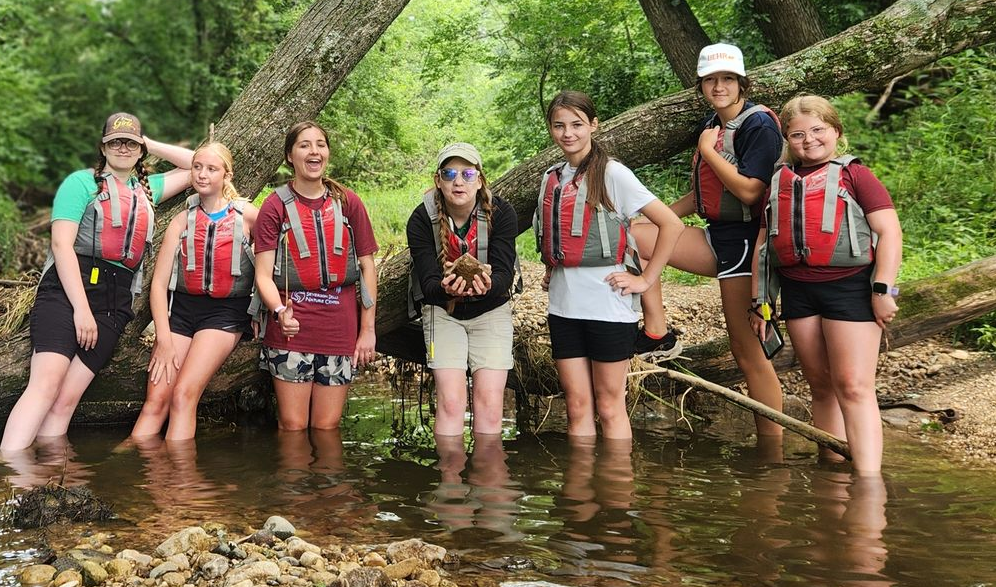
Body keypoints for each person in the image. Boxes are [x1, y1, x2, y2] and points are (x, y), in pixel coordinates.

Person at [0, 113, 194, 451]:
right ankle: (9, 473)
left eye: (130, 142)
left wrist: (149, 143)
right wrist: (81, 310)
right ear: (102, 147)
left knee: (66, 401)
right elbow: (61, 244)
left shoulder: (148, 189)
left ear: (140, 149)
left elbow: (198, 164)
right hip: (66, 292)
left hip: (114, 304)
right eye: (114, 141)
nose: (122, 147)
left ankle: (47, 483)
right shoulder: (80, 183)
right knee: (46, 385)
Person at [629, 43, 788, 440]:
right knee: (631, 235)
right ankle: (657, 335)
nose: (719, 86)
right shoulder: (712, 125)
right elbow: (703, 197)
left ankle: (772, 448)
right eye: (711, 80)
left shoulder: (759, 126)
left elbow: (752, 192)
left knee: (746, 349)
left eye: (728, 79)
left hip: (748, 245)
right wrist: (655, 215)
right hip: (717, 235)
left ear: (742, 83)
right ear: (701, 84)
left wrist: (706, 151)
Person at [761, 95, 902, 474]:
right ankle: (832, 475)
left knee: (854, 387)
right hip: (798, 293)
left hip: (850, 289)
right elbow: (766, 245)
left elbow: (890, 233)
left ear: (836, 132)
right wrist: (762, 302)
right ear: (787, 140)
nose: (809, 140)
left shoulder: (857, 175)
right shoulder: (779, 181)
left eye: (818, 130)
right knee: (821, 387)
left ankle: (868, 482)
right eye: (797, 134)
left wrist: (883, 290)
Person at [536, 90, 686, 440]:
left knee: (608, 405)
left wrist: (646, 280)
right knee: (576, 405)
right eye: (559, 126)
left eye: (576, 124)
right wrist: (550, 269)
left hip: (608, 307)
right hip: (563, 307)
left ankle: (616, 491)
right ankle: (582, 491)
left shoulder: (613, 174)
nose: (568, 133)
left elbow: (671, 224)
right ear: (550, 129)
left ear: (593, 125)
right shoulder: (551, 177)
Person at [252, 121, 379, 432]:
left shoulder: (349, 203)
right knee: (293, 426)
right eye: (304, 145)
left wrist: (368, 330)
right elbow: (263, 276)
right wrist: (280, 312)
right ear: (289, 156)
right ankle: (292, 481)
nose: (314, 151)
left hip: (339, 330)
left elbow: (367, 267)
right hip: (291, 331)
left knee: (327, 428)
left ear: (328, 154)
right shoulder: (273, 206)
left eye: (320, 144)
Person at [130, 141, 259, 441]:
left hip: (225, 313)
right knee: (155, 401)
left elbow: (275, 263)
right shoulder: (181, 220)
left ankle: (179, 481)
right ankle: (132, 468)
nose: (201, 174)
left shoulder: (248, 216)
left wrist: (264, 311)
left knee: (183, 395)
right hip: (183, 314)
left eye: (211, 169)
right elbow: (159, 285)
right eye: (197, 167)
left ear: (227, 175)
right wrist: (162, 337)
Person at [405, 142, 519, 439]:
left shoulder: (502, 213)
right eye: (450, 173)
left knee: (491, 405)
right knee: (452, 404)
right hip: (443, 311)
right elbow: (429, 285)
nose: (458, 181)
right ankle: (451, 483)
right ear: (438, 181)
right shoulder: (420, 219)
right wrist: (446, 290)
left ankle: (487, 480)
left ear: (480, 180)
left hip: (491, 310)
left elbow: (504, 276)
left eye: (468, 173)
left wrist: (488, 285)